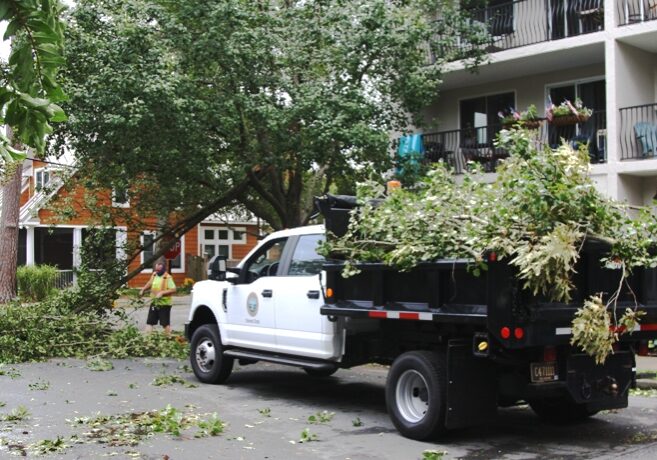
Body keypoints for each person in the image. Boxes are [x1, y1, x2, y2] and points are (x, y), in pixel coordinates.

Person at [140, 261, 177, 333]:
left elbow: (174, 289)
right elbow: (150, 283)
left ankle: (169, 337)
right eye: (156, 269)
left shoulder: (167, 277)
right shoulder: (154, 275)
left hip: (164, 304)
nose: (157, 271)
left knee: (165, 324)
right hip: (154, 303)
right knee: (150, 322)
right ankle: (146, 339)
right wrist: (143, 289)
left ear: (163, 269)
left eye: (158, 270)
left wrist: (162, 293)